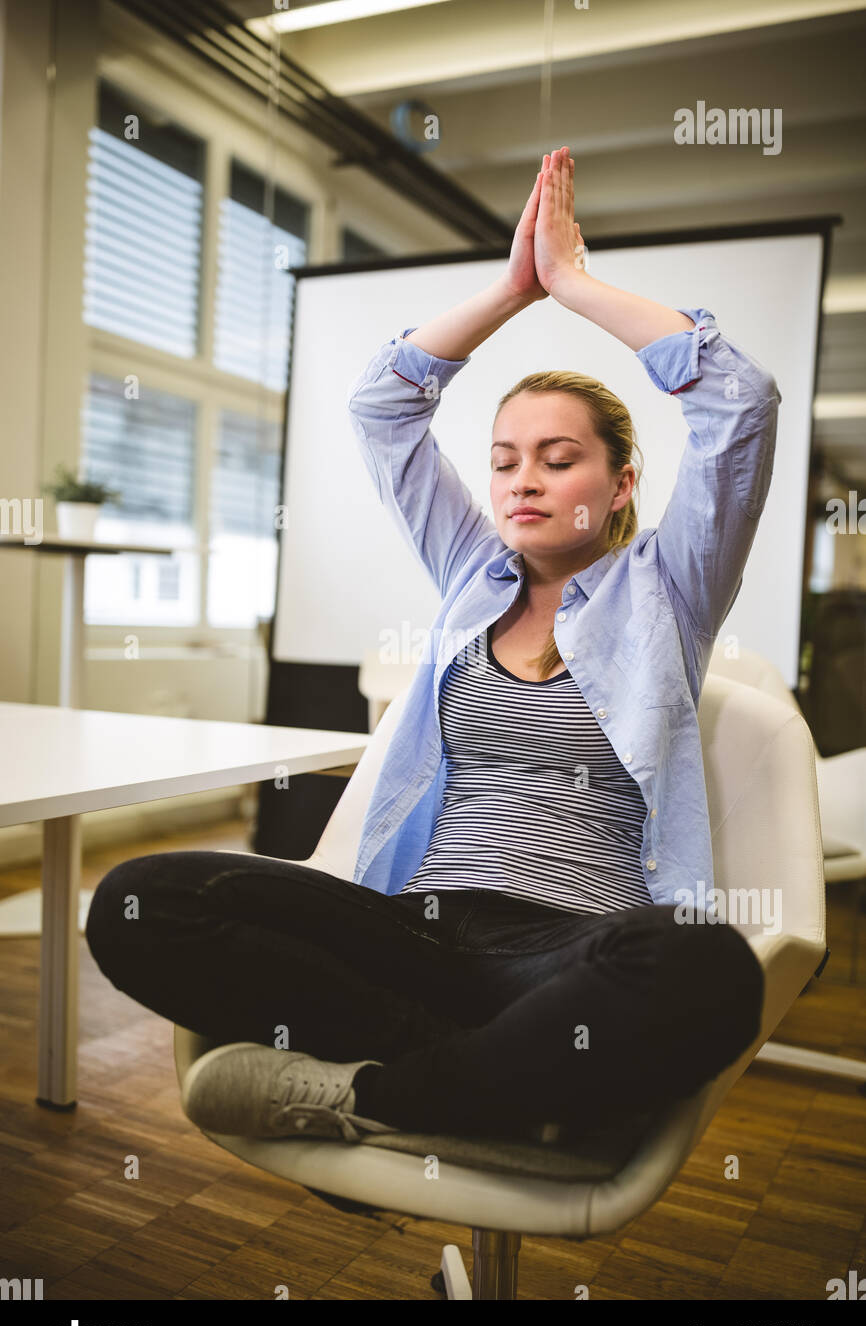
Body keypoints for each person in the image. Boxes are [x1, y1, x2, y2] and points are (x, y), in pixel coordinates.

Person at [85, 146, 776, 1149]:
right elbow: (383, 405)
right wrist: (508, 290)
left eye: (557, 456)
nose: (521, 479)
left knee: (706, 965)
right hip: (412, 933)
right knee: (138, 902)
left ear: (621, 483)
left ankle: (375, 1098)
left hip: (570, 949)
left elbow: (738, 405)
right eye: (503, 460)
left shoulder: (666, 589)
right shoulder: (469, 572)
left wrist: (572, 286)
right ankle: (494, 1075)